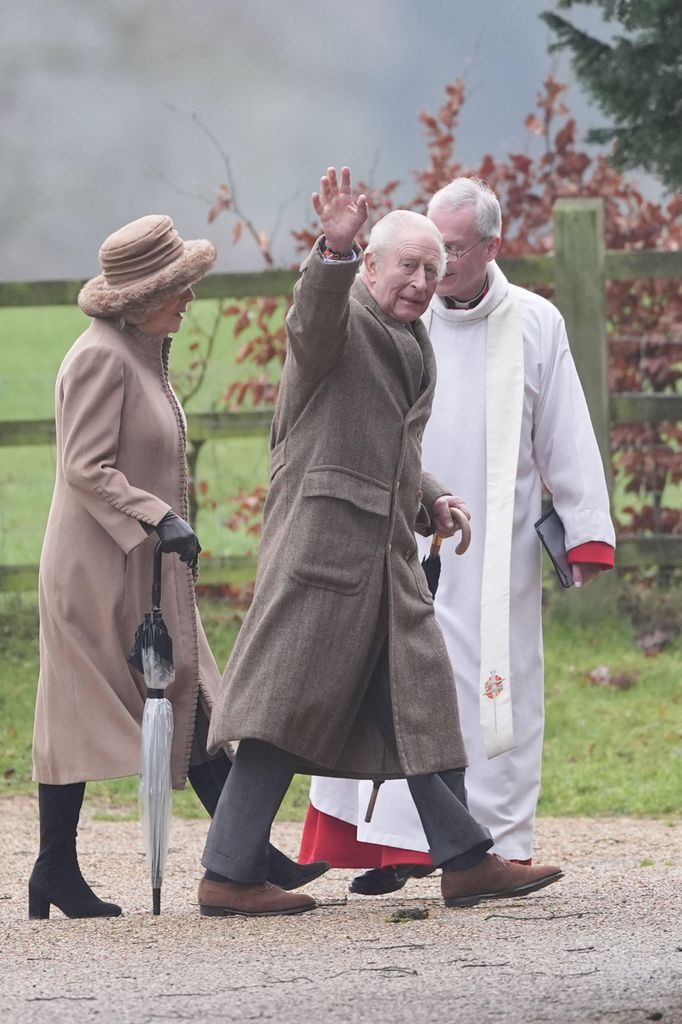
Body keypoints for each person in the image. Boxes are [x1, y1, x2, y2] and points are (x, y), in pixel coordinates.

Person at [197, 167, 563, 918]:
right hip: (323, 556)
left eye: (433, 269)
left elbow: (383, 440)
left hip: (383, 560)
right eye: (409, 266)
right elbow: (308, 323)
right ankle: (227, 875)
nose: (423, 282)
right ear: (370, 264)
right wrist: (330, 252)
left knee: (424, 703)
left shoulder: (407, 335)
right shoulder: (341, 323)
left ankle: (466, 861)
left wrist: (430, 498)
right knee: (280, 710)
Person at [300, 176, 615, 896]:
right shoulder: (395, 313)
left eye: (451, 252)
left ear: (493, 247)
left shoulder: (535, 322)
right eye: (426, 252)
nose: (432, 270)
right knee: (383, 680)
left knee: (494, 693)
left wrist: (586, 531)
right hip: (395, 532)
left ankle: (487, 848)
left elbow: (564, 428)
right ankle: (390, 847)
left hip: (493, 549)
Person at [29, 214, 327, 920]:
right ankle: (57, 870)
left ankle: (245, 855)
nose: (190, 298)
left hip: (143, 565)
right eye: (178, 287)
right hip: (97, 572)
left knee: (191, 701)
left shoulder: (140, 350)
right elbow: (84, 466)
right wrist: (159, 515)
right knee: (78, 712)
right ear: (139, 299)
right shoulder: (102, 357)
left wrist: (162, 527)